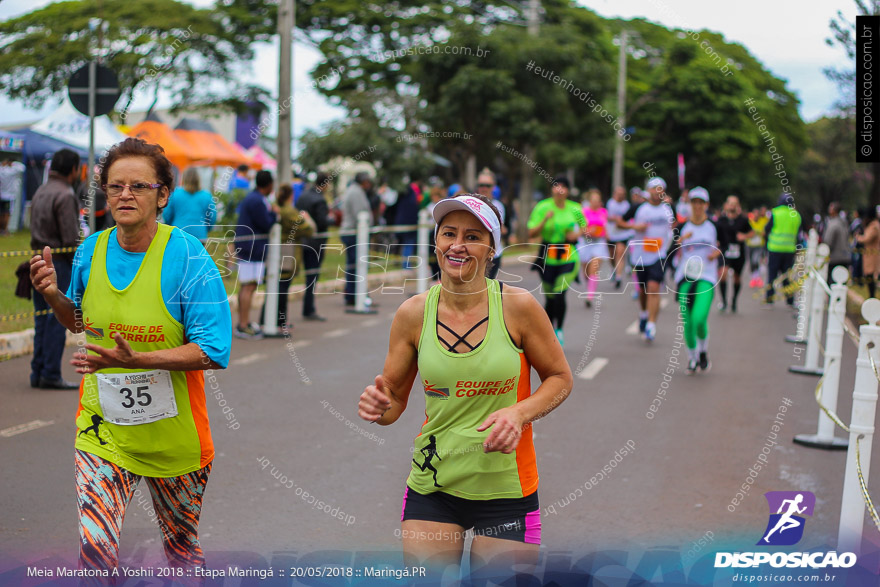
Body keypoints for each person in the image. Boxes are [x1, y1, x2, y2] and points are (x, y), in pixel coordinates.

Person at [29, 137, 231, 577]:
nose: (124, 195)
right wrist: (52, 294)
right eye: (115, 186)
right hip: (102, 432)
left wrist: (140, 359)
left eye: (138, 186)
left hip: (175, 440)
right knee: (96, 553)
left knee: (181, 552)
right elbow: (79, 321)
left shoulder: (189, 258)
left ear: (162, 195)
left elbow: (214, 351)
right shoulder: (91, 250)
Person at [357, 193, 572, 580]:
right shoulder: (413, 313)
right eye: (449, 233)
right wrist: (378, 406)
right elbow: (393, 402)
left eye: (473, 236)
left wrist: (519, 412)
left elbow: (560, 379)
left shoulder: (518, 307)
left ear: (492, 249)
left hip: (507, 491)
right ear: (436, 242)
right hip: (434, 486)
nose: (458, 245)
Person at [29, 148, 82, 389]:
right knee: (57, 319)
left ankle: (37, 371)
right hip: (57, 263)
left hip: (36, 260)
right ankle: (50, 373)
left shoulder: (42, 190)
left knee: (41, 319)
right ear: (72, 169)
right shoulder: (66, 194)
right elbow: (70, 238)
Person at [528, 177, 586, 345]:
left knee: (560, 292)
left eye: (563, 186)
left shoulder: (575, 208)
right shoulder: (542, 207)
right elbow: (531, 232)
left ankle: (558, 330)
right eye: (556, 186)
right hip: (547, 255)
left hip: (569, 254)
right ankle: (549, 330)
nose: (559, 189)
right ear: (552, 189)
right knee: (550, 297)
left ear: (567, 191)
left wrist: (577, 234)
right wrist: (545, 219)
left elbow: (585, 227)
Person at [618, 177, 675, 342]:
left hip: (659, 254)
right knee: (643, 291)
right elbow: (619, 223)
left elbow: (676, 224)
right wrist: (635, 227)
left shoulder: (669, 208)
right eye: (653, 189)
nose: (656, 192)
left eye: (660, 189)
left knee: (653, 287)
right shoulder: (639, 208)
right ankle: (643, 313)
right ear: (648, 191)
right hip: (640, 255)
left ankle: (651, 325)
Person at [673, 187, 720, 374]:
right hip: (685, 276)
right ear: (690, 204)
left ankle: (703, 351)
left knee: (699, 318)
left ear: (706, 205)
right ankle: (692, 359)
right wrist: (680, 240)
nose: (698, 206)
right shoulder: (682, 227)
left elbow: (725, 247)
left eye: (701, 203)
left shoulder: (714, 226)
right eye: (694, 202)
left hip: (706, 277)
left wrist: (716, 254)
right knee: (687, 321)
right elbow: (669, 250)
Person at [261, 184, 314, 330]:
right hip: (287, 252)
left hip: (275, 251)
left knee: (274, 286)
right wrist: (307, 219)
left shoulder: (275, 208)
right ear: (291, 195)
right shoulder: (290, 211)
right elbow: (308, 229)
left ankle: (266, 318)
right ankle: (279, 321)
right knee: (282, 287)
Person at [235, 170, 278, 338]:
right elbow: (266, 223)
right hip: (252, 248)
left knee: (246, 286)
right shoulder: (258, 201)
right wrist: (274, 214)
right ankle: (243, 325)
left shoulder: (253, 198)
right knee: (249, 286)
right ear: (269, 184)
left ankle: (243, 322)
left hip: (247, 246)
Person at [297, 173, 334, 321]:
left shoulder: (303, 196)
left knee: (302, 276)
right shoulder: (319, 200)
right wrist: (331, 218)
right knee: (312, 276)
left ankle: (307, 307)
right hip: (315, 243)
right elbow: (322, 222)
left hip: (302, 241)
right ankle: (309, 308)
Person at [340, 172, 374, 307]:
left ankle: (354, 293)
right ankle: (354, 294)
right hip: (353, 233)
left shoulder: (355, 190)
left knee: (354, 265)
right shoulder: (356, 192)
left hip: (353, 232)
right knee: (355, 265)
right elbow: (360, 214)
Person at [715, 196, 753, 313]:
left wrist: (744, 236)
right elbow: (715, 234)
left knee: (737, 278)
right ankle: (724, 301)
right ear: (726, 205)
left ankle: (734, 300)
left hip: (738, 252)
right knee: (723, 273)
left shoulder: (743, 220)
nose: (732, 206)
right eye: (730, 203)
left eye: (734, 204)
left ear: (738, 206)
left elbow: (752, 232)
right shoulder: (721, 220)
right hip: (724, 251)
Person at [764, 194, 802, 307]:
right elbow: (799, 235)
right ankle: (790, 301)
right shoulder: (796, 215)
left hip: (774, 249)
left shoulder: (775, 212)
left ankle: (769, 299)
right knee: (787, 277)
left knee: (772, 275)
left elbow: (767, 229)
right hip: (789, 250)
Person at [164, 168, 216, 243]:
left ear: (183, 178)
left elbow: (167, 214)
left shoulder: (175, 194)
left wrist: (170, 225)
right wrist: (206, 228)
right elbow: (212, 217)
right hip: (200, 235)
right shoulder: (207, 196)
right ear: (198, 178)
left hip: (179, 233)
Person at [577, 189, 608, 308]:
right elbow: (579, 229)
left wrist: (605, 234)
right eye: (594, 200)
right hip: (585, 243)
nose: (596, 203)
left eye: (598, 201)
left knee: (593, 269)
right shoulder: (583, 212)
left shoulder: (603, 212)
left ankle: (590, 296)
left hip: (599, 243)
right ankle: (589, 286)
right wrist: (588, 231)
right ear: (589, 201)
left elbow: (605, 227)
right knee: (586, 272)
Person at [476, 169, 506, 279]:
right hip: (475, 254)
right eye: (481, 185)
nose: (484, 188)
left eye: (487, 185)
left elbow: (498, 229)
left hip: (493, 255)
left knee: (487, 289)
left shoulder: (498, 206)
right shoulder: (472, 204)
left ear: (493, 187)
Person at [605, 186, 634, 289]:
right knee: (611, 256)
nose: (621, 196)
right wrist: (615, 219)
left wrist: (621, 222)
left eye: (622, 194)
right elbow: (605, 217)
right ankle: (615, 270)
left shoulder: (627, 205)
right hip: (611, 233)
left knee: (620, 254)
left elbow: (628, 218)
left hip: (623, 234)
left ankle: (618, 277)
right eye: (619, 194)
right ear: (614, 194)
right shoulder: (610, 203)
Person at [395, 175, 422, 269]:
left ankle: (405, 265)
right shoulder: (412, 194)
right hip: (409, 224)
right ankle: (406, 266)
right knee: (408, 244)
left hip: (403, 223)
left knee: (406, 245)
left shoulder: (403, 195)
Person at [856, 206, 880, 298]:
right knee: (869, 277)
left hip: (872, 255)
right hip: (870, 254)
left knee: (871, 276)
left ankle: (872, 296)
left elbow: (867, 238)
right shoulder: (873, 225)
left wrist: (858, 237)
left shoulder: (874, 226)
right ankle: (871, 296)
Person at [823, 202, 851, 277]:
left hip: (835, 257)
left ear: (834, 210)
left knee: (833, 282)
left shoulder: (833, 224)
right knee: (842, 280)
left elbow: (828, 241)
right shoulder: (844, 222)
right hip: (845, 256)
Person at [1, 158, 25, 233]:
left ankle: (1, 230)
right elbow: (23, 167)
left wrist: (3, 164)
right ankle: (4, 230)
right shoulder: (12, 171)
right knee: (7, 213)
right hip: (10, 196)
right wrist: (13, 163)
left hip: (1, 195)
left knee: (1, 213)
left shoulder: (1, 170)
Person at [747, 207, 769, 288]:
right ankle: (754, 278)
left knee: (756, 260)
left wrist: (758, 232)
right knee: (752, 262)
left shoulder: (763, 221)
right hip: (750, 245)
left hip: (759, 245)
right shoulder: (749, 222)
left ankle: (757, 278)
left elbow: (765, 232)